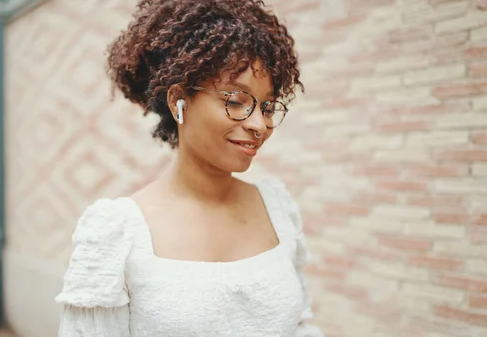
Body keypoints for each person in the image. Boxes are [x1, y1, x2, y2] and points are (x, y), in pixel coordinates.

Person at [55, 0, 324, 336]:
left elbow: (300, 324)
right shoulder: (117, 233)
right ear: (178, 100)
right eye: (236, 100)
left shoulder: (277, 208)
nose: (259, 124)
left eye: (267, 106)